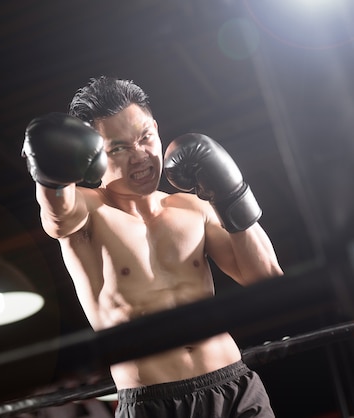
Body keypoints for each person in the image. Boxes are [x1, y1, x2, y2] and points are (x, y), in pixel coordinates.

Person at [21, 76, 284, 417]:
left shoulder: (192, 208)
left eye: (145, 137)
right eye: (119, 148)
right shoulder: (88, 213)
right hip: (155, 404)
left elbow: (266, 280)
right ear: (92, 156)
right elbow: (58, 213)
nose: (140, 155)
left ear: (156, 129)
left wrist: (232, 195)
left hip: (234, 387)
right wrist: (50, 175)